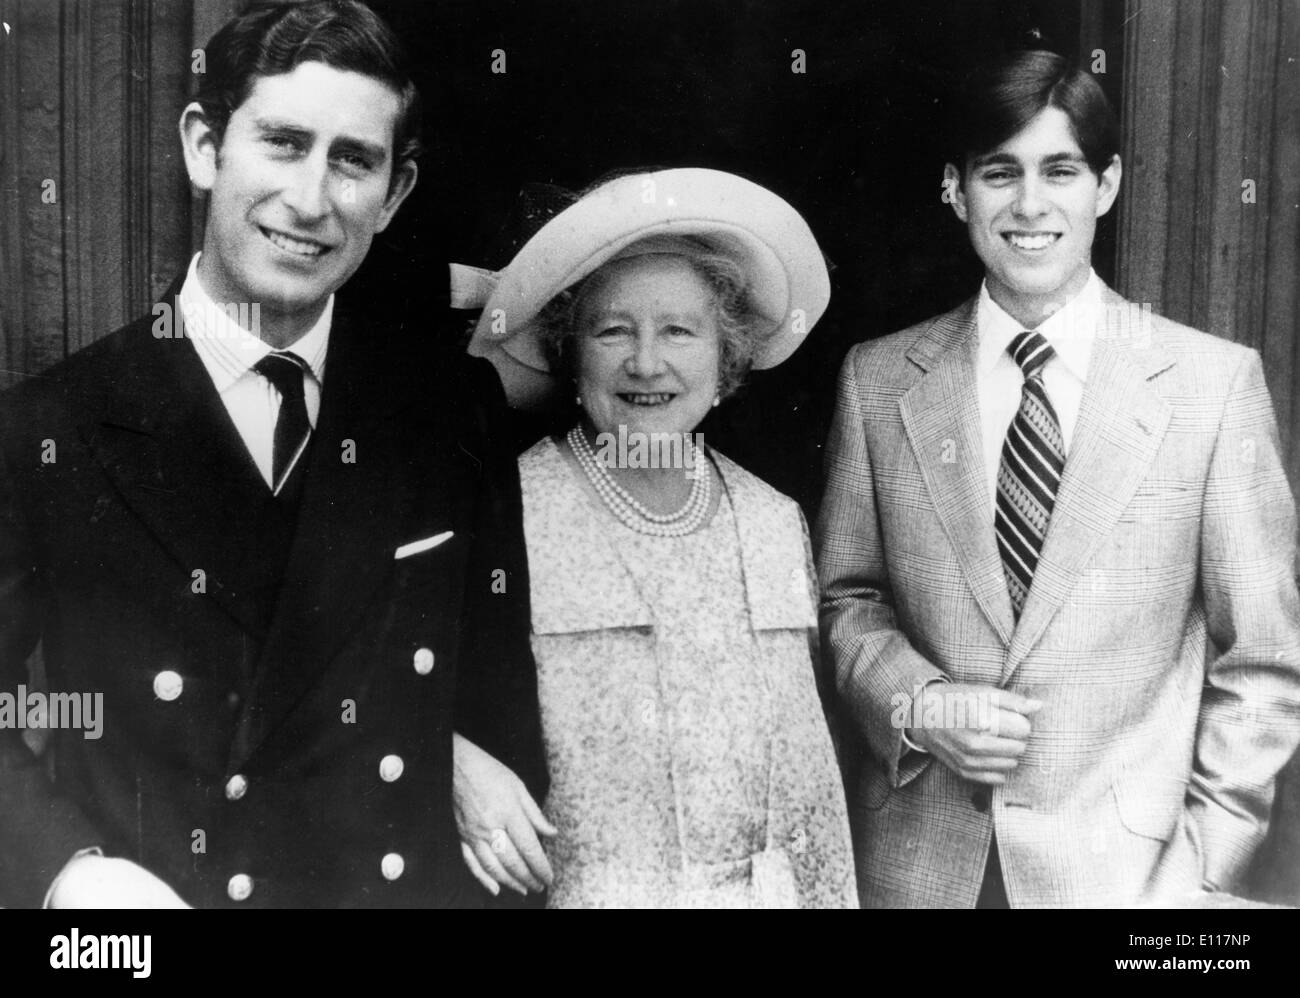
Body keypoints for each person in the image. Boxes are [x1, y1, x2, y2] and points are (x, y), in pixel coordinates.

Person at [0, 0, 544, 908]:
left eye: (354, 161)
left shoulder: (450, 410)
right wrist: (70, 875)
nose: (312, 199)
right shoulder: (49, 430)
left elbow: (498, 702)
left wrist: (443, 748)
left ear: (396, 193)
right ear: (204, 148)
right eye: (284, 143)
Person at [816, 48, 1300, 908]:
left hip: (1132, 886)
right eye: (1000, 172)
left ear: (1105, 186)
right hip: (918, 870)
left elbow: (1262, 661)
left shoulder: (1210, 387)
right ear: (956, 190)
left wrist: (1204, 870)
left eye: (1061, 171)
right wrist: (917, 702)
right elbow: (845, 600)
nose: (1030, 205)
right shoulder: (878, 380)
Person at [450, 168, 858, 908]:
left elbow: (813, 802)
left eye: (679, 330)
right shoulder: (506, 511)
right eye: (612, 330)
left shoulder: (773, 520)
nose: (646, 362)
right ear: (571, 356)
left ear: (725, 357)